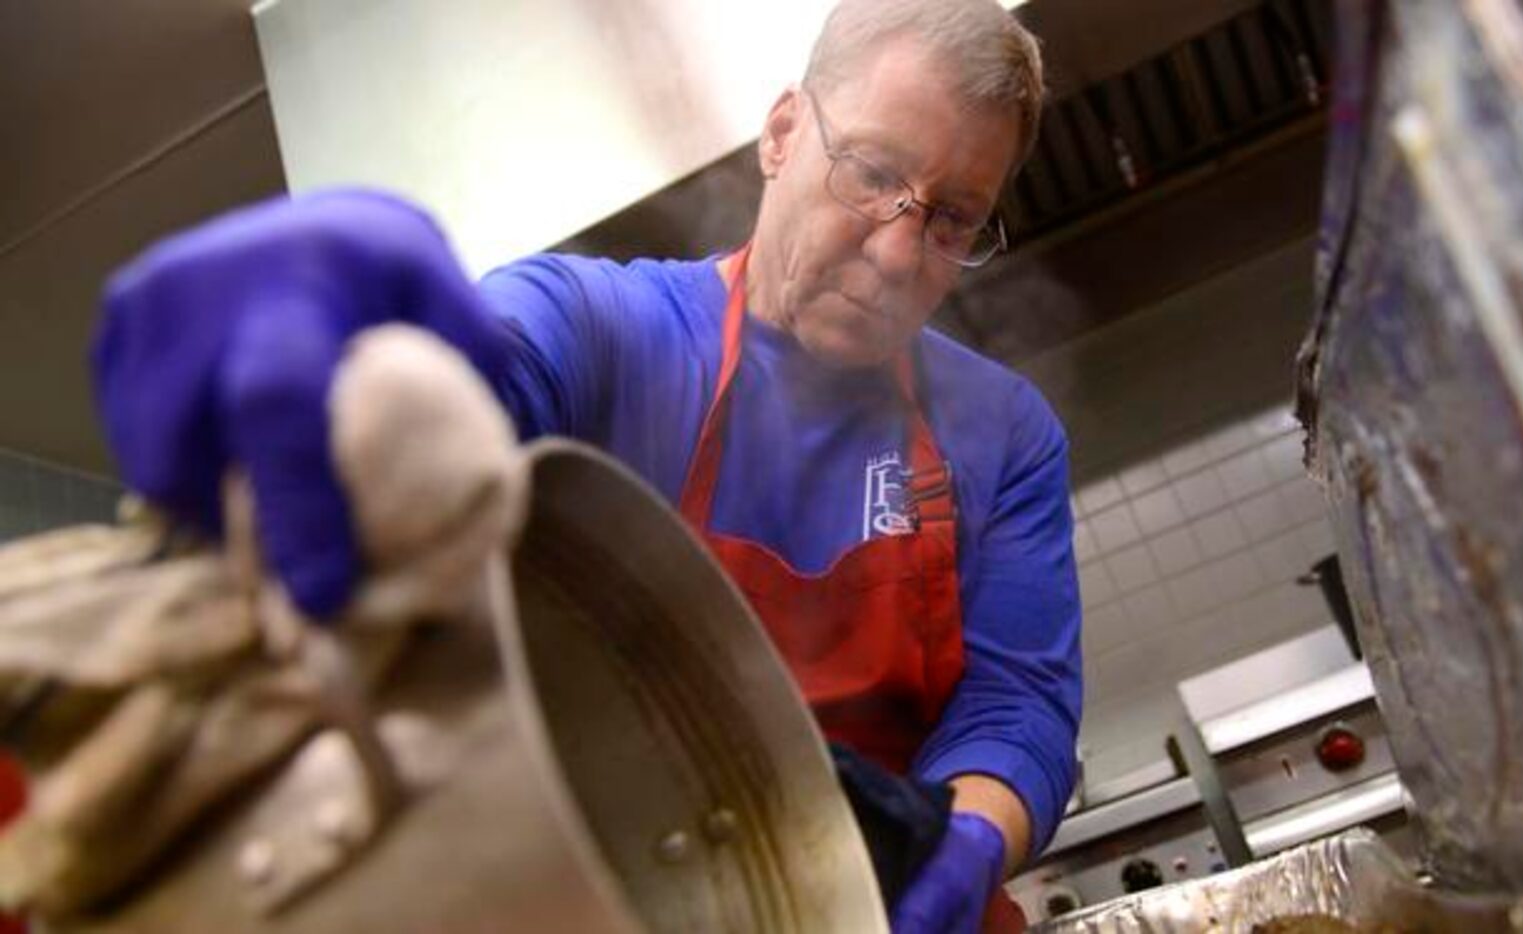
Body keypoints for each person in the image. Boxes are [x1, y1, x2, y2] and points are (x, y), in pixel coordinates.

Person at [93, 0, 1082, 930]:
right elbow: (477, 387)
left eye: (952, 217)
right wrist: (367, 366)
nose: (900, 251)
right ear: (782, 133)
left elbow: (1018, 701)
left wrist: (959, 844)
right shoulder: (610, 331)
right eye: (871, 172)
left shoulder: (1002, 430)